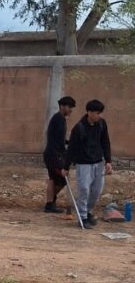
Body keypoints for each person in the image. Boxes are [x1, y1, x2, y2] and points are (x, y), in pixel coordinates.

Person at [63, 99, 112, 230]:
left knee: (97, 190)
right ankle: (82, 217)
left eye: (100, 113)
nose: (99, 116)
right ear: (89, 112)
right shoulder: (79, 128)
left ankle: (89, 212)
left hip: (98, 162)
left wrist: (108, 161)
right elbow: (71, 148)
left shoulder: (102, 124)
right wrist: (66, 166)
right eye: (97, 113)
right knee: (84, 189)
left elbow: (105, 142)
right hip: (83, 163)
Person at [42, 95, 76, 213]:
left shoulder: (60, 119)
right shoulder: (58, 119)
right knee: (62, 178)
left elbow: (60, 139)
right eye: (69, 107)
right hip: (54, 155)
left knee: (54, 179)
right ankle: (50, 202)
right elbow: (57, 141)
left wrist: (69, 142)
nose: (71, 110)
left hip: (53, 154)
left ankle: (50, 202)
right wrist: (66, 152)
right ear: (62, 106)